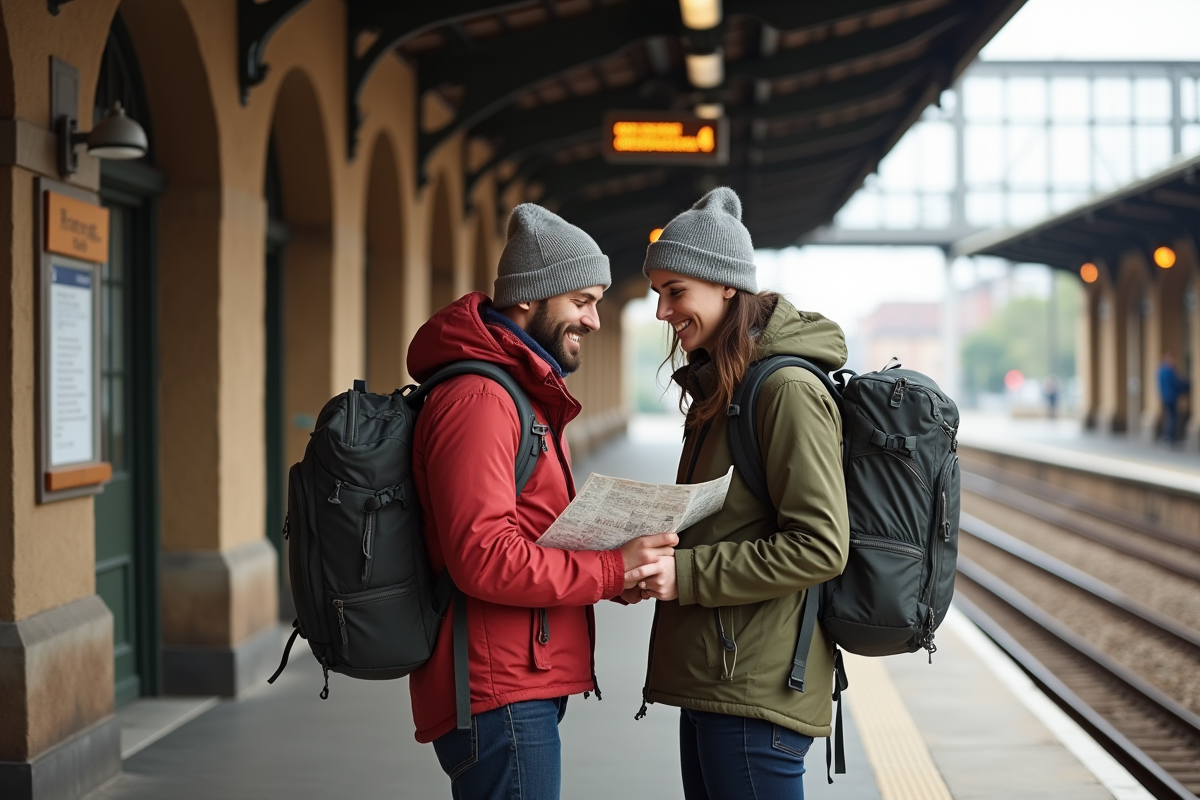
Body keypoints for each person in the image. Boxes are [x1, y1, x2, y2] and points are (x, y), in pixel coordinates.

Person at [407, 203, 677, 800]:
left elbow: (525, 532)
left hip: (516, 677)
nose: (595, 320)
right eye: (582, 301)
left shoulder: (516, 393)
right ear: (530, 297)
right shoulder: (480, 398)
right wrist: (611, 567)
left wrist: (614, 574)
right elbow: (482, 555)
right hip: (498, 686)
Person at [627, 187, 851, 800]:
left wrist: (686, 575)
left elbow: (819, 546)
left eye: (676, 292)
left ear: (727, 285)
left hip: (753, 690)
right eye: (658, 294)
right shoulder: (723, 387)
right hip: (716, 675)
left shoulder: (783, 391)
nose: (662, 312)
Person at [1158, 351, 1190, 445]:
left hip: (1166, 397)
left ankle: (1167, 437)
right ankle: (1170, 438)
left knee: (1170, 417)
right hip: (1171, 397)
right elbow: (1176, 383)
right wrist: (1188, 387)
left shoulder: (1161, 370)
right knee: (1173, 418)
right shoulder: (1169, 371)